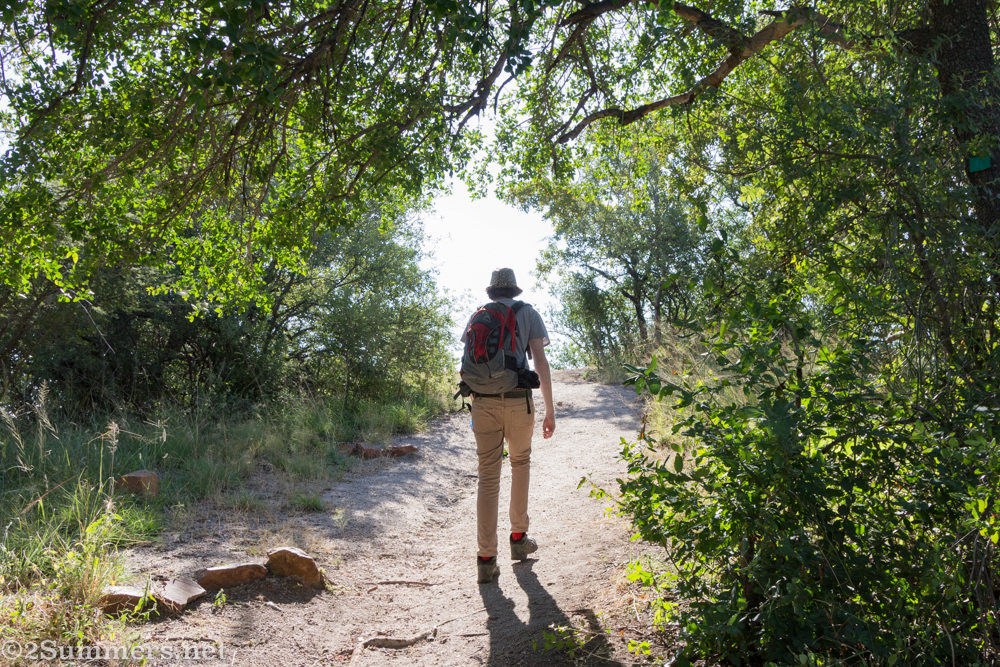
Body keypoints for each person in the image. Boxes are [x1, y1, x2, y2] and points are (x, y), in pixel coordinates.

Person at [461, 268, 555, 584]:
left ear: (493, 292)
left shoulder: (480, 314)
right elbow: (539, 362)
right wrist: (549, 409)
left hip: (483, 402)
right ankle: (518, 539)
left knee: (488, 477)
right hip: (517, 401)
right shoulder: (527, 312)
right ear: (514, 290)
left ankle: (486, 559)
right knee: (520, 464)